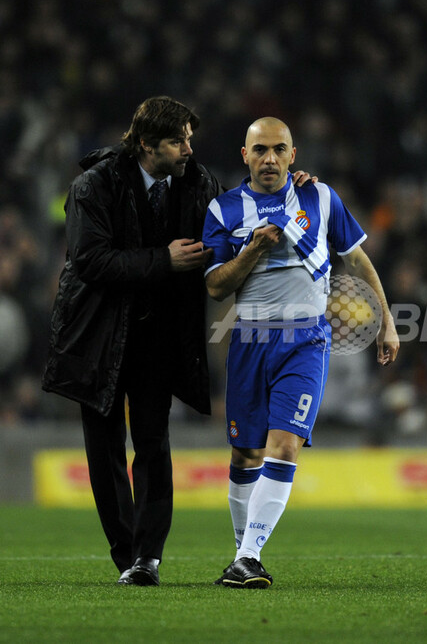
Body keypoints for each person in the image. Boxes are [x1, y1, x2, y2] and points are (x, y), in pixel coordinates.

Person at [41, 96, 314, 586]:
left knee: (152, 442)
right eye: (177, 141)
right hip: (98, 336)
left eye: (189, 137)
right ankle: (126, 553)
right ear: (146, 145)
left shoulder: (197, 182)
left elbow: (237, 210)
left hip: (155, 335)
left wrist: (291, 192)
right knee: (104, 451)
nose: (189, 148)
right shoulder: (93, 186)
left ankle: (147, 558)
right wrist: (161, 260)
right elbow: (89, 261)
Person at [203, 117, 399, 588]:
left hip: (307, 340)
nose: (269, 158)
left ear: (294, 154)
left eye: (278, 149)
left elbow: (356, 257)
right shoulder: (223, 209)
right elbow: (214, 286)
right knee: (246, 453)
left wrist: (386, 320)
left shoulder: (320, 197)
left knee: (285, 444)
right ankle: (242, 554)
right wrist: (251, 251)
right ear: (245, 155)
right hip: (249, 339)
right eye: (260, 150)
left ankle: (249, 556)